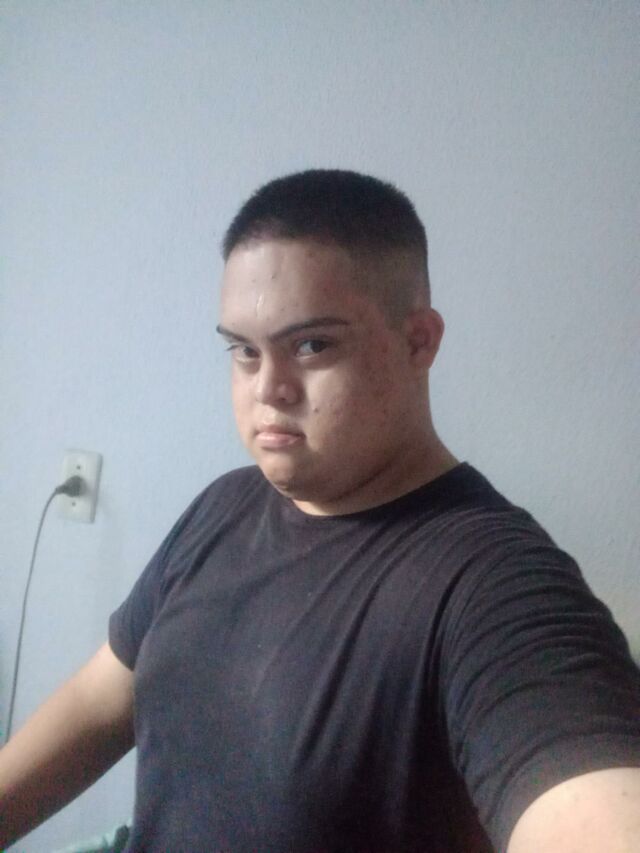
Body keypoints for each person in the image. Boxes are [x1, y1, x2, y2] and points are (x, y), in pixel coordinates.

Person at [1, 169, 640, 852]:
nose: (267, 389)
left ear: (419, 341)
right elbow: (99, 700)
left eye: (311, 345)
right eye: (244, 351)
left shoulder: (498, 585)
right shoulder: (222, 507)